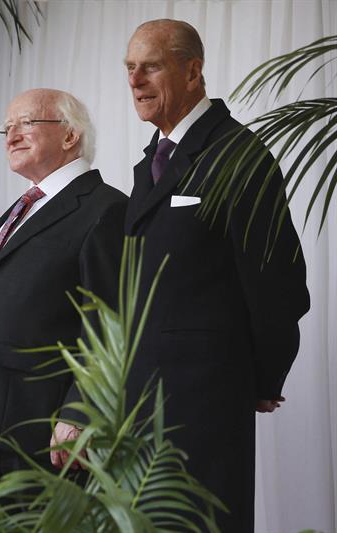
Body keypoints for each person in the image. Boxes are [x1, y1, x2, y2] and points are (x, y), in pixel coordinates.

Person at [57, 19, 310, 532]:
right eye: (129, 68)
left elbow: (276, 281)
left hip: (204, 403)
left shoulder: (240, 155)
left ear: (192, 71)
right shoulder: (149, 162)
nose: (135, 80)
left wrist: (262, 377)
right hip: (137, 406)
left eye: (150, 66)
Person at [0, 88, 127, 528]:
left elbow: (111, 322)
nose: (10, 136)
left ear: (70, 135)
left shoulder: (107, 210)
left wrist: (81, 411)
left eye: (26, 123)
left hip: (43, 431)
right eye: (7, 127)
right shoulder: (23, 207)